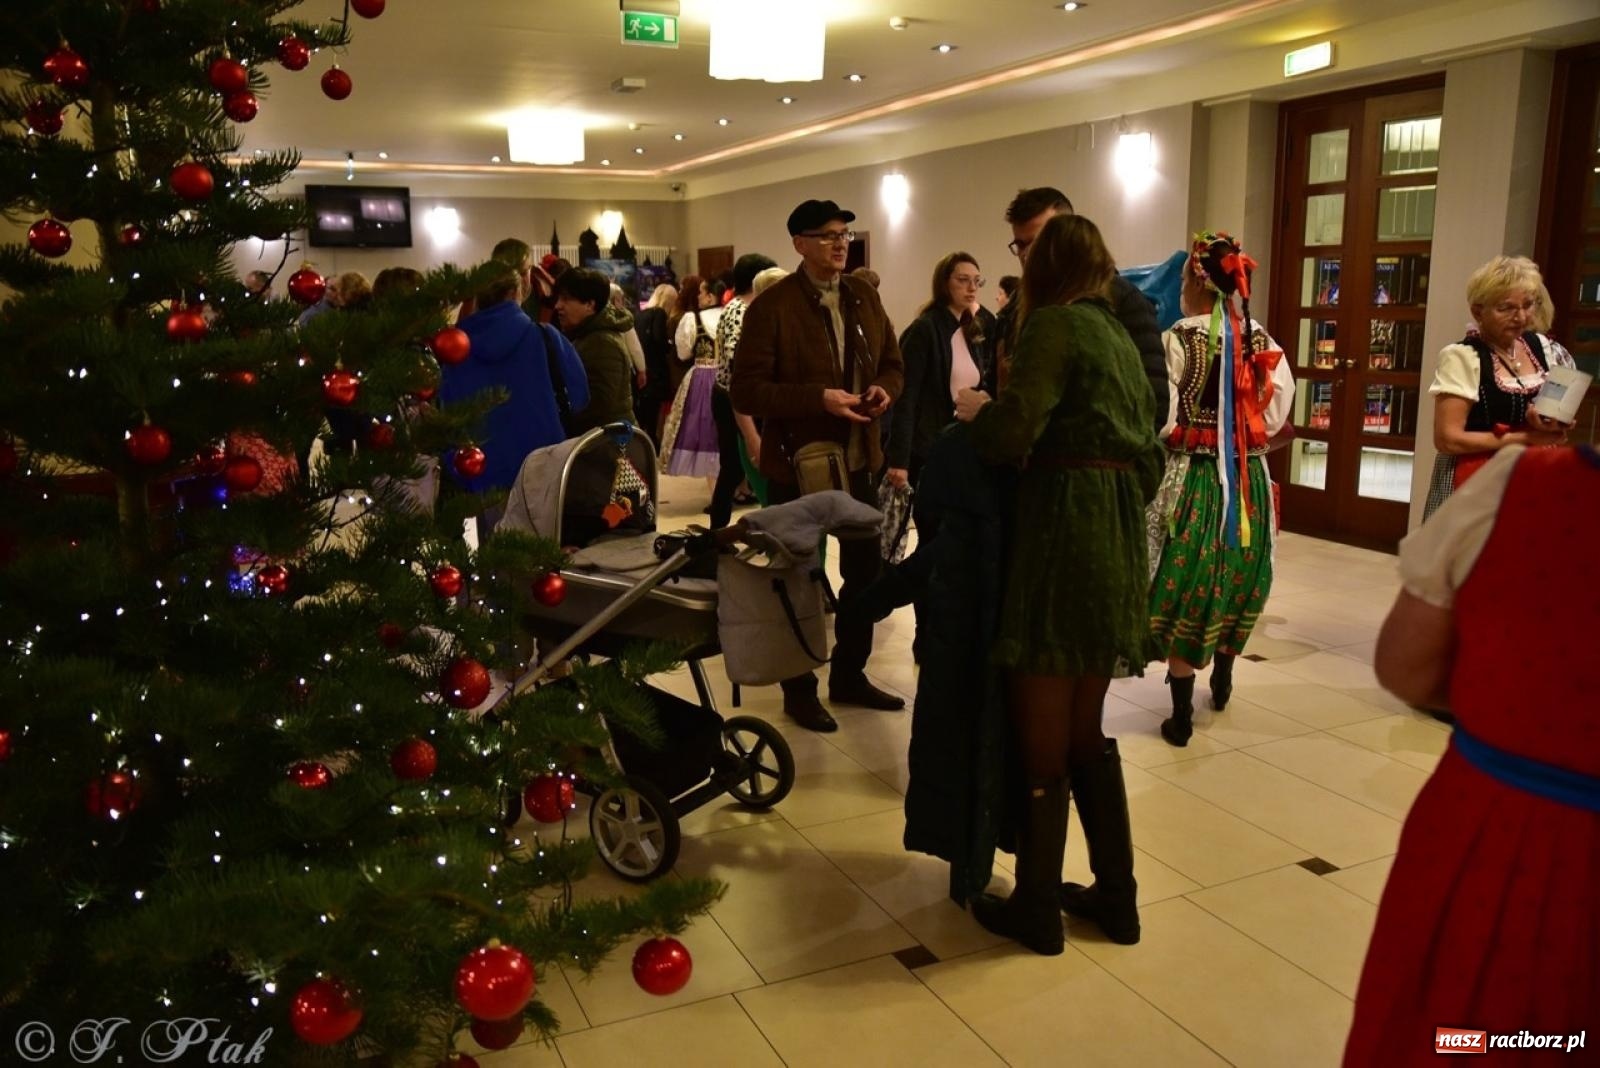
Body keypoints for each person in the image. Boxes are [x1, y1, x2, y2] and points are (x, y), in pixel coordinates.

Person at [1343, 443, 1599, 1066]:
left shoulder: (1523, 485)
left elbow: (1407, 668)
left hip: (1497, 832)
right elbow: (1450, 432)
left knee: (1458, 1028)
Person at [953, 213, 1161, 955]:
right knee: (1085, 728)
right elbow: (1150, 453)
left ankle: (1038, 907)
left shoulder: (1055, 327)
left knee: (1042, 731)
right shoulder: (1117, 334)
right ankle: (1118, 899)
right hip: (1114, 535)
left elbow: (1015, 434)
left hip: (1063, 531)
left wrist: (980, 414)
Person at [731, 198, 906, 732]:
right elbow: (746, 388)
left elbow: (894, 365)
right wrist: (818, 399)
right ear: (799, 244)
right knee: (799, 576)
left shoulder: (864, 296)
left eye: (845, 234)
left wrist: (882, 391)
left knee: (864, 575)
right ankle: (799, 689)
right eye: (828, 235)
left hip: (858, 462)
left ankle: (849, 675)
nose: (840, 243)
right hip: (798, 467)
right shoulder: (773, 307)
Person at [1146, 232, 1295, 748]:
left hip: (1196, 477)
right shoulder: (1262, 340)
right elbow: (1275, 416)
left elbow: (1163, 418)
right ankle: (1224, 676)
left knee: (1187, 577)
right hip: (1248, 479)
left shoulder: (1177, 339)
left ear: (1192, 280)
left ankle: (1181, 712)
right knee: (1239, 568)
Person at [1422, 255, 1574, 519]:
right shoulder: (1463, 357)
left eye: (1527, 305)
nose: (1521, 317)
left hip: (1532, 473)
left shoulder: (1545, 349)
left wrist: (1553, 423)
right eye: (1506, 308)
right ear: (1478, 311)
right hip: (1474, 477)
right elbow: (1447, 439)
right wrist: (1525, 439)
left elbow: (1561, 407)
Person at [994, 187, 1165, 422]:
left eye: (1039, 242)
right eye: (1020, 245)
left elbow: (1154, 405)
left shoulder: (1124, 300)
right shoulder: (1016, 306)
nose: (1026, 255)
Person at [441, 261, 589, 496]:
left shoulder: (452, 349)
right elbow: (579, 397)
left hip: (476, 471)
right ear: (516, 291)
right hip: (543, 468)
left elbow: (443, 412)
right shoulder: (547, 338)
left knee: (487, 531)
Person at [885, 252, 997, 498]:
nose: (971, 288)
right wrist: (899, 460)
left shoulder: (971, 329)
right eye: (963, 280)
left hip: (963, 445)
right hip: (929, 448)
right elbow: (906, 396)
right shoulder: (925, 329)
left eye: (977, 281)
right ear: (945, 283)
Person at [706, 253, 777, 529]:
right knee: (736, 466)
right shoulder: (740, 310)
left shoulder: (740, 306)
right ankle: (718, 530)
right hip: (733, 399)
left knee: (735, 468)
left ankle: (725, 529)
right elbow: (741, 366)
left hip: (733, 395)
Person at [552, 267, 635, 433]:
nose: (558, 306)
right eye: (558, 298)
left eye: (566, 299)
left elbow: (597, 405)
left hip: (607, 445)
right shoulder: (586, 335)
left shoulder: (601, 343)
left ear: (590, 305)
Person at [660, 275, 724, 480]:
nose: (698, 296)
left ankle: (715, 488)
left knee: (704, 427)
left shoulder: (692, 319)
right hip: (727, 375)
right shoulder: (731, 315)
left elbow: (683, 353)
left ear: (711, 297)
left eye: (702, 292)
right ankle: (739, 487)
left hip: (702, 376)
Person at [633, 282, 677, 444]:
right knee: (654, 420)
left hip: (642, 371)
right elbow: (660, 341)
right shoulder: (659, 314)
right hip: (656, 373)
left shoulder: (639, 314)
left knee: (642, 416)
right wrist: (670, 345)